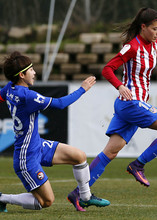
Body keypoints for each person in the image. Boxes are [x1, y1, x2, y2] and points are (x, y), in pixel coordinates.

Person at [67, 7, 157, 211]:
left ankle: (79, 193)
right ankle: (138, 165)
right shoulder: (132, 47)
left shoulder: (155, 44)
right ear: (143, 27)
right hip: (132, 103)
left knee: (111, 152)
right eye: (155, 29)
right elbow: (107, 69)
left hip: (129, 106)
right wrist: (120, 85)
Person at [0, 51, 110, 212]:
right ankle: (2, 198)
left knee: (79, 156)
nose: (34, 72)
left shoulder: (10, 88)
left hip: (37, 145)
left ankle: (85, 197)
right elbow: (59, 104)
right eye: (31, 70)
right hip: (26, 156)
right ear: (22, 75)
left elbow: (1, 97)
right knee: (45, 202)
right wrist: (82, 89)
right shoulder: (27, 96)